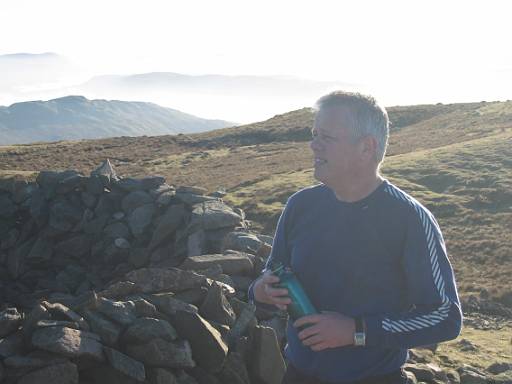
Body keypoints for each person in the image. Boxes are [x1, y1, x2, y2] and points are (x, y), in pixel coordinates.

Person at [248, 91, 462, 384]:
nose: (313, 144)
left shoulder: (410, 219)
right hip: (298, 375)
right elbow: (270, 276)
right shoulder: (300, 205)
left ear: (366, 147)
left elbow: (445, 317)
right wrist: (262, 290)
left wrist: (356, 331)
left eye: (327, 137)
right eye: (314, 134)